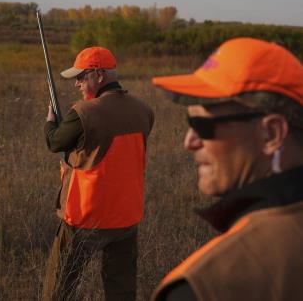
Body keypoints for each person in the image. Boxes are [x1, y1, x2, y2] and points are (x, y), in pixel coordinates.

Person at [150, 37, 303, 301]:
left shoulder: (202, 287)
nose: (189, 142)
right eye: (189, 122)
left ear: (271, 133)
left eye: (203, 125)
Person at [43, 46, 154, 301]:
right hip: (126, 217)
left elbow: (55, 143)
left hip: (86, 216)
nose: (77, 84)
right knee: (122, 291)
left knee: (59, 287)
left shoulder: (84, 113)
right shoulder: (144, 111)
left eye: (81, 77)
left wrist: (50, 121)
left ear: (100, 75)